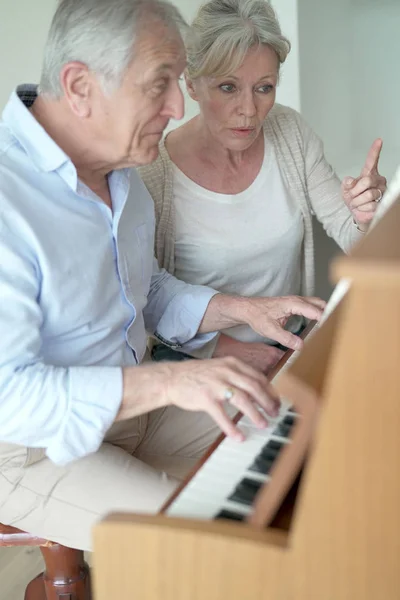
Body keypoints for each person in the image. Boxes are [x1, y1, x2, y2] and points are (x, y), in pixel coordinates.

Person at [0, 0, 325, 551]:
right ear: (79, 86)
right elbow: (8, 396)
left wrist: (236, 308)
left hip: (133, 410)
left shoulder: (122, 174)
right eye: (160, 84)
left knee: (304, 443)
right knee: (203, 547)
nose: (178, 107)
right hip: (28, 447)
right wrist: (173, 380)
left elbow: (144, 289)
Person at [138, 0, 387, 374]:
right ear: (191, 83)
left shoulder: (290, 132)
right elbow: (144, 298)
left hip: (288, 349)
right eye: (228, 87)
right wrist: (224, 348)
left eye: (264, 88)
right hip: (196, 364)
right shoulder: (153, 171)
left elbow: (351, 232)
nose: (249, 110)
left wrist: (368, 216)